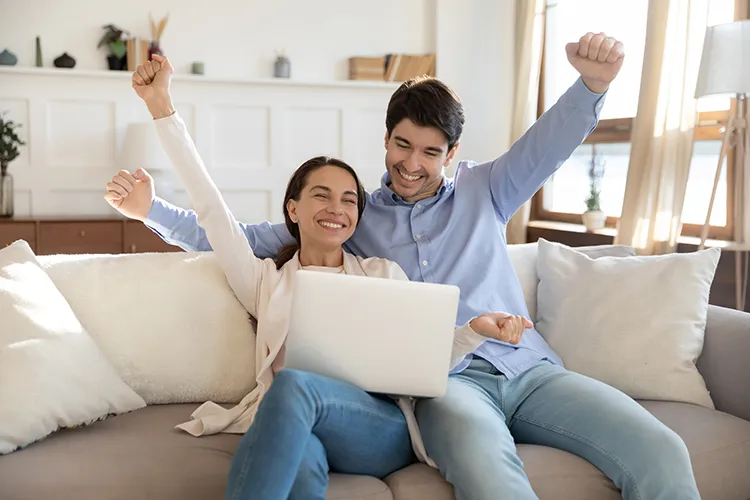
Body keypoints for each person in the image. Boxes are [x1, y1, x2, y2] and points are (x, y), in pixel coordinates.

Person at [108, 32, 701, 499]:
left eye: (430, 152)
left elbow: (545, 147)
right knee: (490, 476)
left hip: (531, 369)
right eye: (401, 145)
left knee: (662, 450)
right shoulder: (353, 220)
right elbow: (228, 235)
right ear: (385, 139)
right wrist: (150, 211)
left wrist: (591, 86)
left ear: (452, 154)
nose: (412, 163)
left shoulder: (487, 190)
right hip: (448, 387)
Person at [121, 53, 533, 500]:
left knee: (295, 385)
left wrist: (473, 331)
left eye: (349, 200)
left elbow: (424, 361)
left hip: (378, 429)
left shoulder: (381, 274)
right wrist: (161, 107)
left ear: (358, 216)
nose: (336, 208)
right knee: (295, 462)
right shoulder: (266, 282)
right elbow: (213, 214)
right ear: (294, 209)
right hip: (292, 419)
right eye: (321, 195)